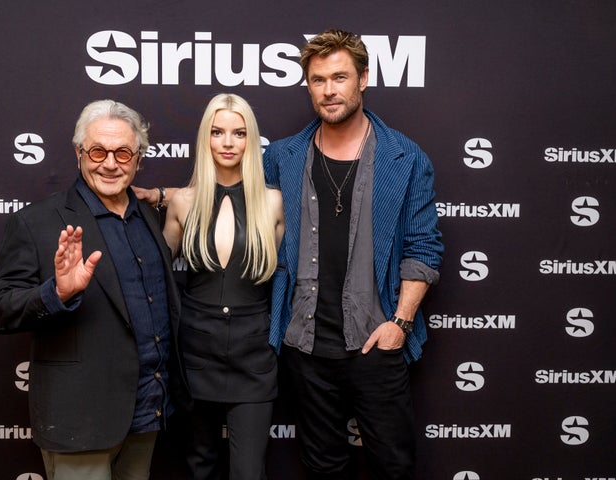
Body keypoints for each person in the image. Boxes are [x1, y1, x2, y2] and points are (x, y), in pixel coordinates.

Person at [262, 30, 443, 479]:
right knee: (322, 468)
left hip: (375, 344)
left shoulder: (406, 157)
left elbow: (424, 246)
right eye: (318, 79)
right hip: (305, 347)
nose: (329, 90)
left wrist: (399, 324)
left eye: (339, 77)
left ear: (363, 78)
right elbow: (236, 207)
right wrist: (164, 196)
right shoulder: (283, 157)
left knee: (393, 466)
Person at [0, 99, 184, 480]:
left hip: (147, 412)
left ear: (138, 158)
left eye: (123, 152)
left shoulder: (148, 218)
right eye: (97, 151)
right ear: (79, 154)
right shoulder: (37, 222)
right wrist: (55, 293)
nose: (110, 163)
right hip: (80, 421)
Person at [161, 93, 284, 480]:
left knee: (249, 472)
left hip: (253, 355)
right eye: (217, 132)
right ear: (205, 138)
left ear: (251, 140)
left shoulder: (273, 202)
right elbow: (156, 274)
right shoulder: (181, 201)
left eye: (238, 133)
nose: (227, 142)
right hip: (196, 353)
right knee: (200, 466)